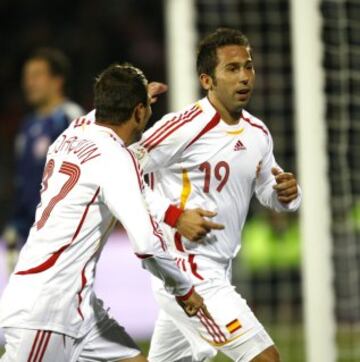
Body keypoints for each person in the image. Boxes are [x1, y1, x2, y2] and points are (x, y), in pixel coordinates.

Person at [0, 64, 211, 362]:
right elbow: (147, 246)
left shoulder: (70, 134)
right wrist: (184, 290)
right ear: (139, 112)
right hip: (47, 311)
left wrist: (133, 97)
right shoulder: (116, 159)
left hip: (80, 309)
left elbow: (101, 115)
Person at [129, 28, 302, 362]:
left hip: (217, 267)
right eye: (232, 69)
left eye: (248, 67)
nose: (244, 78)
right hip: (185, 270)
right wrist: (174, 216)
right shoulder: (183, 126)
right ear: (207, 80)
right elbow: (123, 173)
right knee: (265, 358)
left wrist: (288, 194)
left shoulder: (258, 133)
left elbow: (270, 189)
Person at [2, 48, 84, 272]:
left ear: (57, 80)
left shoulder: (71, 119)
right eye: (26, 77)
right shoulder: (27, 126)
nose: (29, 83)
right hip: (31, 235)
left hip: (61, 235)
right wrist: (15, 225)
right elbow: (24, 183)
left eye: (37, 75)